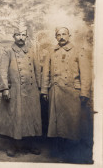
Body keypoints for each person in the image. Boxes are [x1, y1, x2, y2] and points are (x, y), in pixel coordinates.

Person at [41, 27, 92, 163]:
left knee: (72, 124)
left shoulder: (78, 51)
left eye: (64, 34)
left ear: (69, 35)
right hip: (55, 92)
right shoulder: (51, 52)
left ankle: (71, 155)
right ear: (55, 37)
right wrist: (45, 90)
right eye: (58, 35)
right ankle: (59, 153)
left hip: (72, 93)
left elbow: (86, 73)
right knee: (56, 124)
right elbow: (46, 72)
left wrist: (84, 92)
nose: (61, 37)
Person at [0, 22, 42, 157]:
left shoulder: (32, 51)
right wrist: (5, 88)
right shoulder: (8, 52)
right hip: (15, 90)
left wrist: (40, 88)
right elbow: (2, 71)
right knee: (14, 117)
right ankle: (13, 145)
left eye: (23, 35)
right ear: (14, 36)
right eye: (18, 35)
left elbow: (37, 70)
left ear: (26, 36)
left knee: (31, 117)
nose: (21, 37)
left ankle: (30, 144)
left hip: (31, 91)